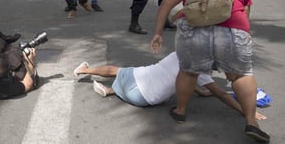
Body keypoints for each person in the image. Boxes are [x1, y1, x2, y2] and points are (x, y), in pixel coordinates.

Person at [149, 0, 270, 143]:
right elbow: (245, 12)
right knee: (242, 74)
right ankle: (251, 121)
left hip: (193, 31)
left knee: (188, 72)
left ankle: (180, 111)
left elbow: (166, 3)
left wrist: (158, 32)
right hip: (232, 30)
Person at [74, 52, 266, 121]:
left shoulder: (181, 54)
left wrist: (202, 90)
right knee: (153, 86)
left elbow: (179, 76)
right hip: (144, 101)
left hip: (136, 83)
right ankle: (111, 90)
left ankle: (84, 70)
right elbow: (222, 95)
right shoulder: (201, 73)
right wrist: (247, 112)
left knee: (120, 70)